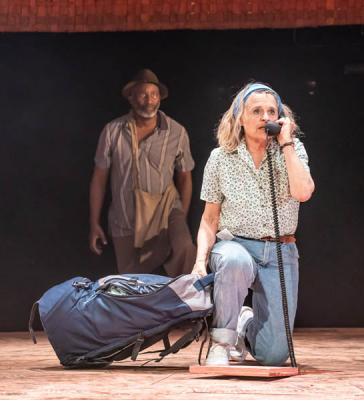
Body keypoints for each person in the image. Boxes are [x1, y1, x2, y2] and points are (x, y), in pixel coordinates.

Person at [192, 82, 315, 366]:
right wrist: (200, 260)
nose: (265, 117)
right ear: (240, 118)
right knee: (233, 261)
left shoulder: (293, 150)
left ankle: (244, 324)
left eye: (272, 111)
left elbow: (303, 192)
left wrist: (285, 145)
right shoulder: (221, 158)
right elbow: (209, 219)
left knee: (273, 356)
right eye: (256, 111)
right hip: (237, 245)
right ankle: (221, 343)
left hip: (280, 250)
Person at [89, 69, 196, 276]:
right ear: (131, 97)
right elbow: (99, 178)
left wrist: (181, 216)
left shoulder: (176, 132)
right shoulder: (112, 131)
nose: (149, 100)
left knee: (185, 249)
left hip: (166, 210)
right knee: (130, 281)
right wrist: (94, 223)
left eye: (154, 94)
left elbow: (185, 176)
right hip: (126, 215)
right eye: (143, 94)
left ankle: (186, 304)